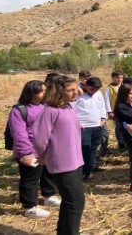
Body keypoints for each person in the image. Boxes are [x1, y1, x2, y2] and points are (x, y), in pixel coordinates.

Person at [32, 75, 85, 235]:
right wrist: (42, 155)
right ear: (59, 91)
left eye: (76, 89)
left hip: (76, 160)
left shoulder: (70, 108)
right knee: (75, 201)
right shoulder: (49, 111)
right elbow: (39, 138)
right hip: (62, 162)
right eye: (71, 90)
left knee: (70, 201)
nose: (76, 93)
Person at [9, 80, 61, 218]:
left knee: (48, 174)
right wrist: (27, 153)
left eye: (45, 90)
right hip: (30, 151)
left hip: (46, 149)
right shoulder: (19, 110)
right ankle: (29, 206)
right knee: (30, 178)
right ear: (31, 92)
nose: (45, 93)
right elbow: (19, 134)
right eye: (41, 91)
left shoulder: (45, 107)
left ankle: (48, 196)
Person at [76, 77, 106, 181]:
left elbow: (102, 106)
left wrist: (103, 119)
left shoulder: (98, 94)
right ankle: (84, 171)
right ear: (86, 85)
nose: (94, 91)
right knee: (85, 148)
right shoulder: (78, 94)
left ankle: (92, 167)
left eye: (96, 89)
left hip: (97, 125)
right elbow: (71, 109)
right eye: (92, 89)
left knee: (94, 147)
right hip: (84, 126)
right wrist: (77, 123)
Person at [104, 71, 125, 151]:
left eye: (121, 77)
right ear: (112, 78)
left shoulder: (124, 86)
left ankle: (126, 142)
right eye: (117, 78)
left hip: (125, 110)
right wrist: (110, 112)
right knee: (118, 127)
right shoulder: (109, 88)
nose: (119, 79)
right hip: (115, 111)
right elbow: (106, 100)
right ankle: (121, 143)